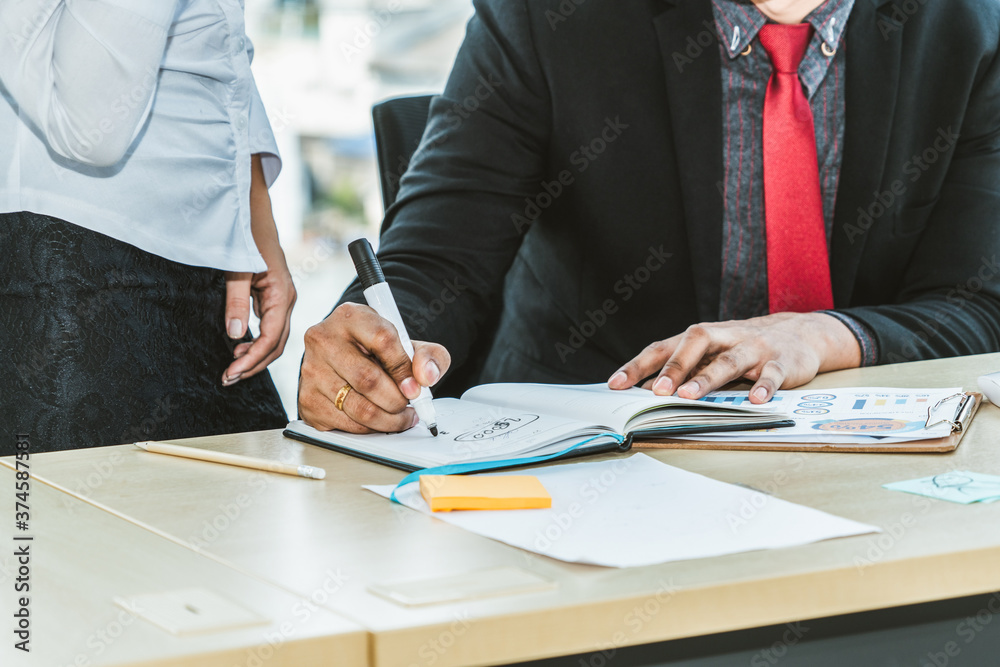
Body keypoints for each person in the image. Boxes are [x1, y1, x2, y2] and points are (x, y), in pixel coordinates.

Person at [298, 0, 1000, 434]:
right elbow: (433, 264)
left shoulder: (970, 29)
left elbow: (980, 304)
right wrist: (370, 347)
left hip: (865, 472)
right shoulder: (549, 17)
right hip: (589, 465)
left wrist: (818, 335)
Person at [0, 1, 295, 454]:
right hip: (78, 266)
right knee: (66, 517)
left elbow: (214, 34)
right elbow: (90, 126)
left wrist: (253, 212)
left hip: (202, 260)